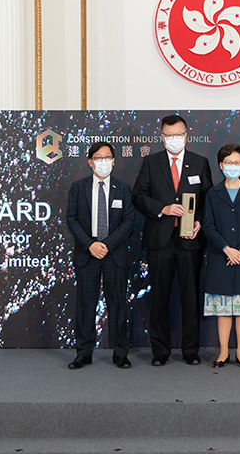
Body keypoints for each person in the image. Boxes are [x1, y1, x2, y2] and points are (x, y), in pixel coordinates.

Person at [132, 115, 213, 366]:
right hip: (160, 240)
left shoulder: (200, 163)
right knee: (159, 298)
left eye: (179, 135)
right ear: (162, 137)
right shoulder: (151, 162)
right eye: (169, 136)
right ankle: (160, 351)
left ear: (187, 135)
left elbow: (208, 198)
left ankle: (191, 351)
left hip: (190, 240)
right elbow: (139, 195)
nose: (174, 139)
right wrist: (163, 209)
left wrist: (200, 220)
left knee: (190, 297)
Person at [65, 142, 135, 369]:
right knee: (86, 304)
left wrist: (106, 244)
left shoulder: (123, 189)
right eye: (98, 157)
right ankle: (84, 353)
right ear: (90, 161)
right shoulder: (78, 187)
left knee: (118, 304)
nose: (103, 161)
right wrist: (90, 244)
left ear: (114, 161)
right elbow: (71, 219)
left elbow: (128, 221)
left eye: (107, 157)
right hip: (87, 253)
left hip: (114, 253)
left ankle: (120, 353)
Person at [202, 144, 240, 368]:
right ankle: (223, 353)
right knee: (224, 311)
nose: (233, 167)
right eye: (228, 163)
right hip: (221, 258)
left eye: (237, 162)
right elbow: (208, 226)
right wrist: (227, 249)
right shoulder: (213, 193)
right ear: (220, 165)